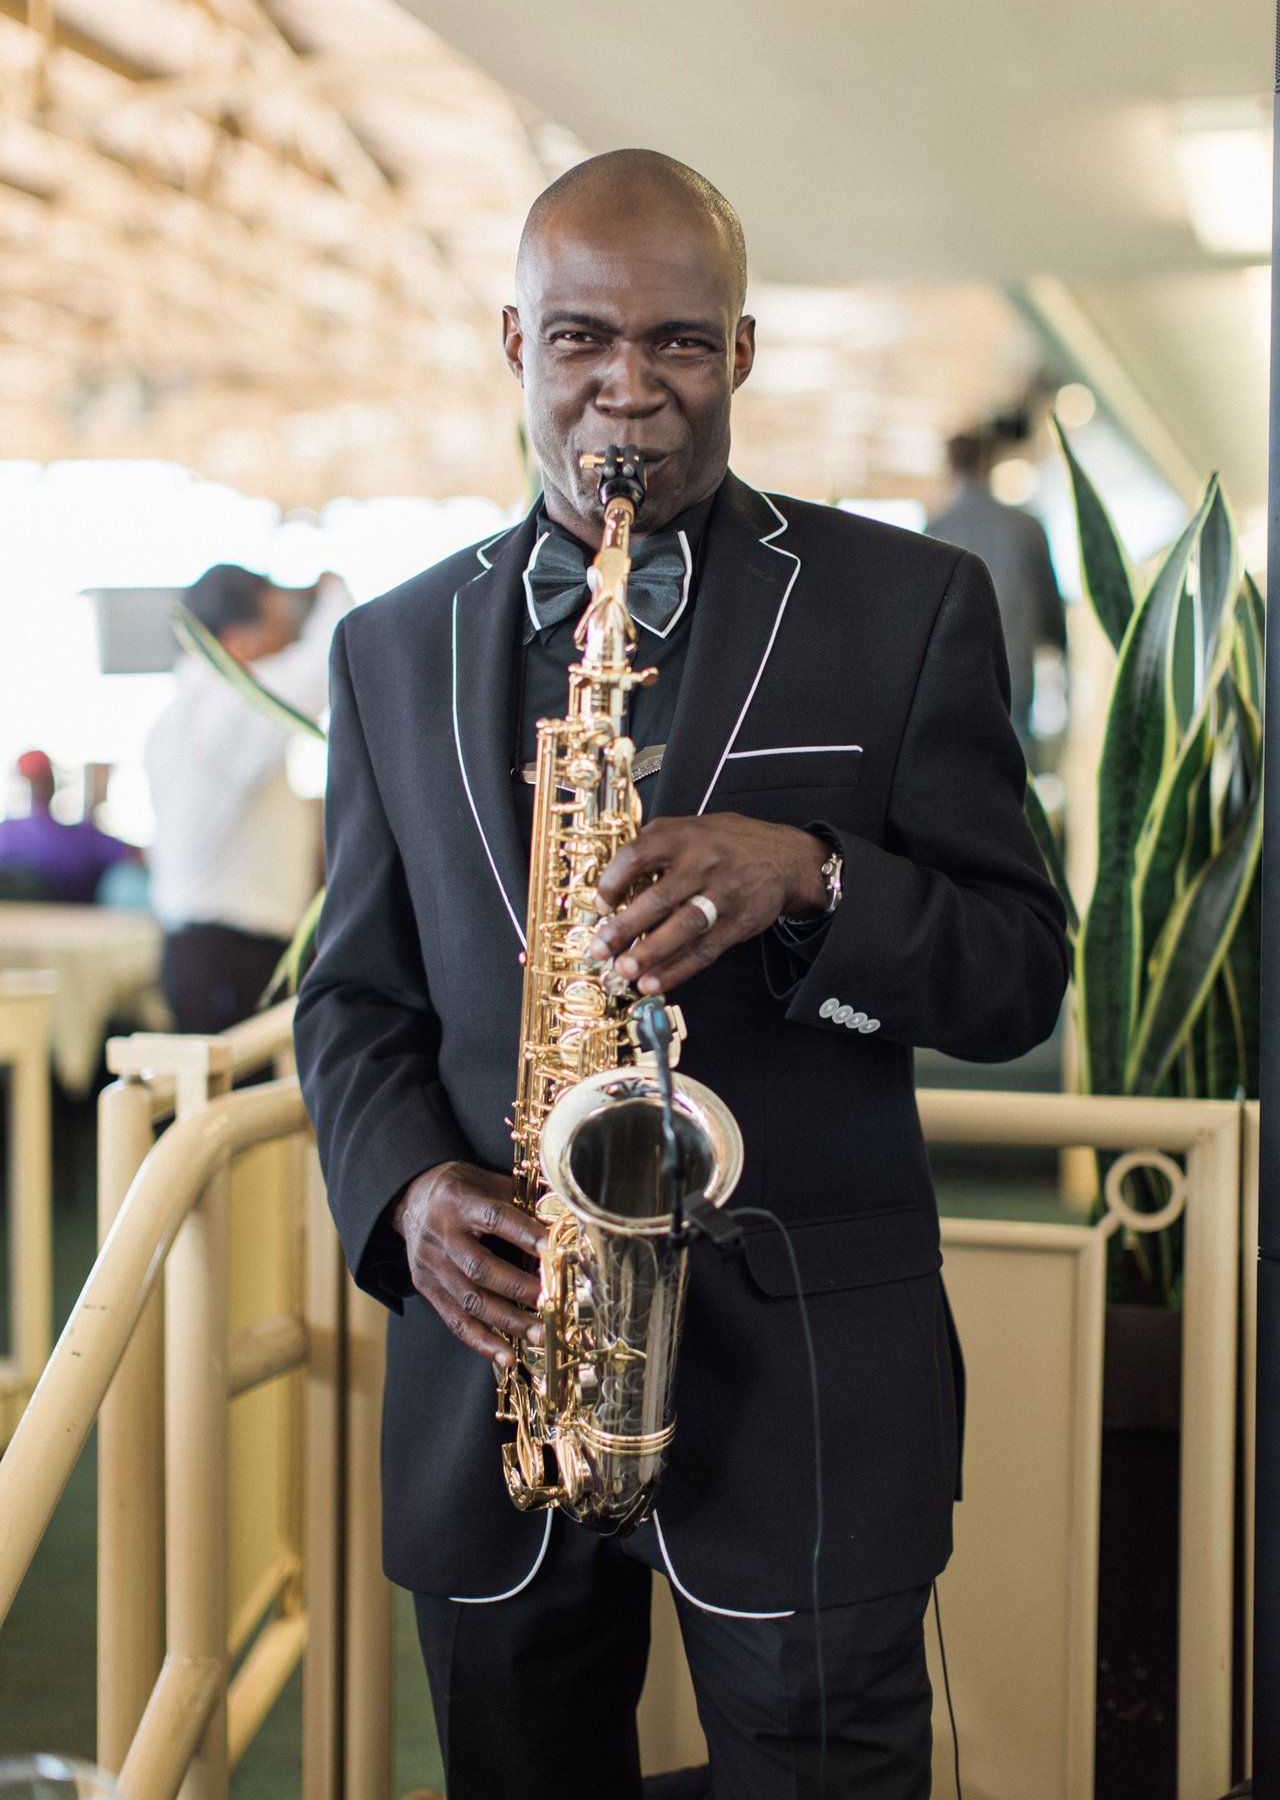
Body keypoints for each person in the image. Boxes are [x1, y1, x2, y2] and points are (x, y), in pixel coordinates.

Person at [294, 150, 1069, 1800]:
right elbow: (352, 997)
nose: (628, 394)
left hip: (805, 1383)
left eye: (680, 346)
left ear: (745, 351)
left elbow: (1015, 981)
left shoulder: (909, 604)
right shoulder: (390, 645)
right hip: (504, 1372)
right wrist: (413, 1193)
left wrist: (813, 878)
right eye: (582, 341)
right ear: (516, 343)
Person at [145, 564, 349, 1033]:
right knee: (237, 1104)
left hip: (208, 951)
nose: (284, 646)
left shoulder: (179, 716)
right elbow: (330, 657)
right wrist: (332, 589)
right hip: (230, 953)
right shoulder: (232, 705)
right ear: (238, 641)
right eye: (278, 630)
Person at [926, 432, 1067, 753]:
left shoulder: (935, 530)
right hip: (1015, 674)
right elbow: (1051, 607)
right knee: (1015, 776)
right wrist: (1061, 652)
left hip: (953, 682)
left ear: (948, 466)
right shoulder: (1026, 526)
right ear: (986, 461)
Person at [0, 750, 129, 902]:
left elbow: (129, 854)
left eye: (41, 780)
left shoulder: (84, 837)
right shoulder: (8, 833)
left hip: (77, 918)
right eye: (34, 781)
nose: (37, 788)